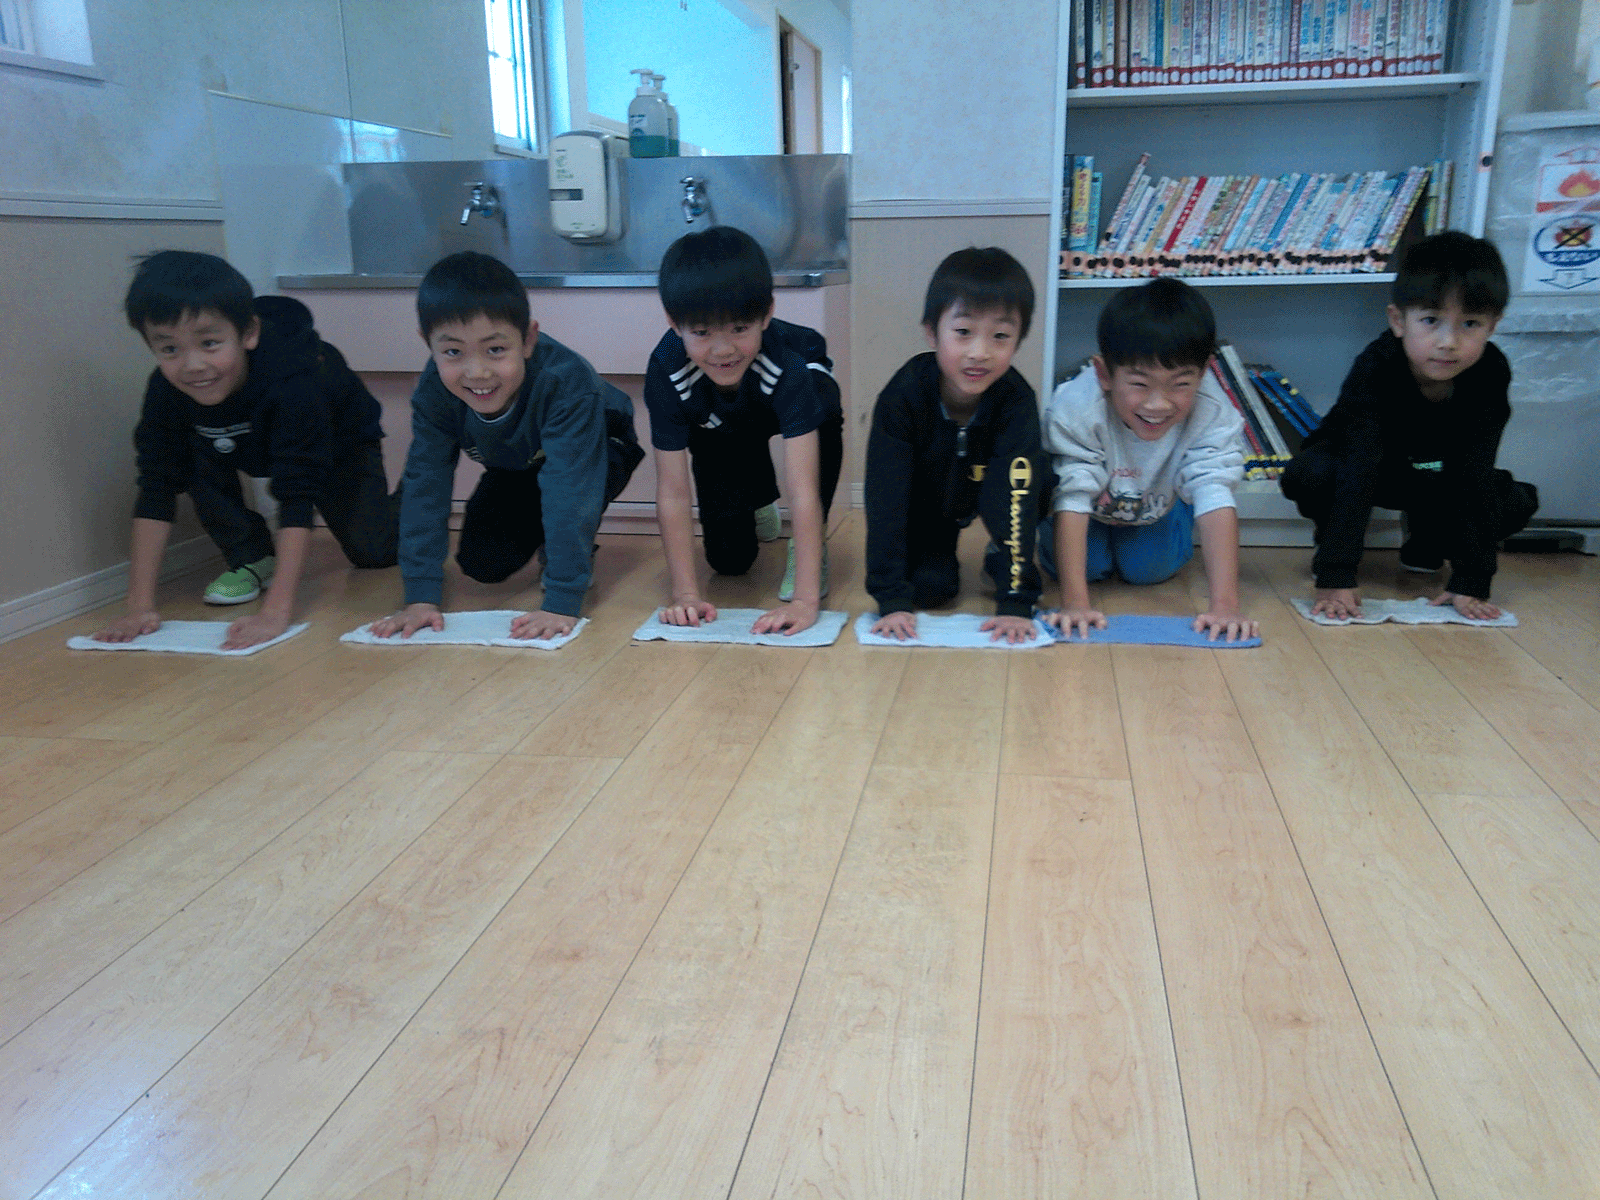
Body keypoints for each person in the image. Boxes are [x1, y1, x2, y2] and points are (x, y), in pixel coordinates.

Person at [97, 250, 397, 650]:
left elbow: (297, 492)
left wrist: (275, 612)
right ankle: (252, 554)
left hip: (339, 440)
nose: (192, 365)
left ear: (248, 333)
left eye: (209, 343)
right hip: (235, 440)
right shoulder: (166, 392)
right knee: (187, 452)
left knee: (374, 552)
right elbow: (156, 486)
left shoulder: (293, 378)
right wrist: (138, 607)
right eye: (169, 349)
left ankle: (413, 500)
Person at [370, 251, 642, 640]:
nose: (477, 372)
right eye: (453, 352)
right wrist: (420, 597)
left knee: (568, 497)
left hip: (601, 445)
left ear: (528, 339)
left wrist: (562, 600)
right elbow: (425, 486)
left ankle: (567, 557)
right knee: (483, 562)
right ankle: (553, 538)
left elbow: (571, 489)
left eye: (495, 350)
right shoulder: (434, 392)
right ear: (428, 343)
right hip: (521, 461)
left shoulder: (565, 382)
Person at [1280, 231, 1537, 620]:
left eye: (1470, 323)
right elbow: (1357, 466)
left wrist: (1472, 580)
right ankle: (1330, 538)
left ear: (1492, 327)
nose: (1448, 342)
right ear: (1398, 321)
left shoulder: (1491, 372)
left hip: (1437, 474)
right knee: (1311, 473)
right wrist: (1336, 573)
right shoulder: (1376, 367)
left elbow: (1475, 470)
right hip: (1367, 468)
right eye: (1431, 320)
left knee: (1514, 500)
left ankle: (1427, 541)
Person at [643, 226, 844, 636]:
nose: (723, 350)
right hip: (720, 421)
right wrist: (685, 595)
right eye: (702, 333)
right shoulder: (666, 369)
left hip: (786, 400)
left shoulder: (789, 366)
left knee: (823, 403)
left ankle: (809, 545)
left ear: (766, 314)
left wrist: (805, 602)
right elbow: (673, 491)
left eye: (739, 329)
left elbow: (802, 489)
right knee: (729, 561)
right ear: (674, 323)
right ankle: (756, 502)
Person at [1040, 276, 1257, 642]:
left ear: (1204, 373)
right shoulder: (1075, 408)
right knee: (1087, 567)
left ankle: (1175, 518)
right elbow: (1073, 495)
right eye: (1140, 384)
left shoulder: (1213, 411)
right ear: (1104, 374)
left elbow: (1215, 493)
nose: (1158, 404)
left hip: (1154, 508)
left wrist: (1225, 606)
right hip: (1087, 512)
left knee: (1147, 570)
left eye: (1181, 384)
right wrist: (1075, 604)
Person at [864, 247, 1052, 644]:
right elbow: (885, 501)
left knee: (1036, 481)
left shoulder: (1016, 401)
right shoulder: (902, 397)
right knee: (933, 589)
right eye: (963, 332)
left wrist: (1016, 602)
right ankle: (938, 550)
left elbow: (1017, 500)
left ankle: (999, 556)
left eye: (1000, 336)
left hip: (995, 492)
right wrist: (891, 599)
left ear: (1018, 341)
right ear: (932, 332)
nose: (980, 353)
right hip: (929, 502)